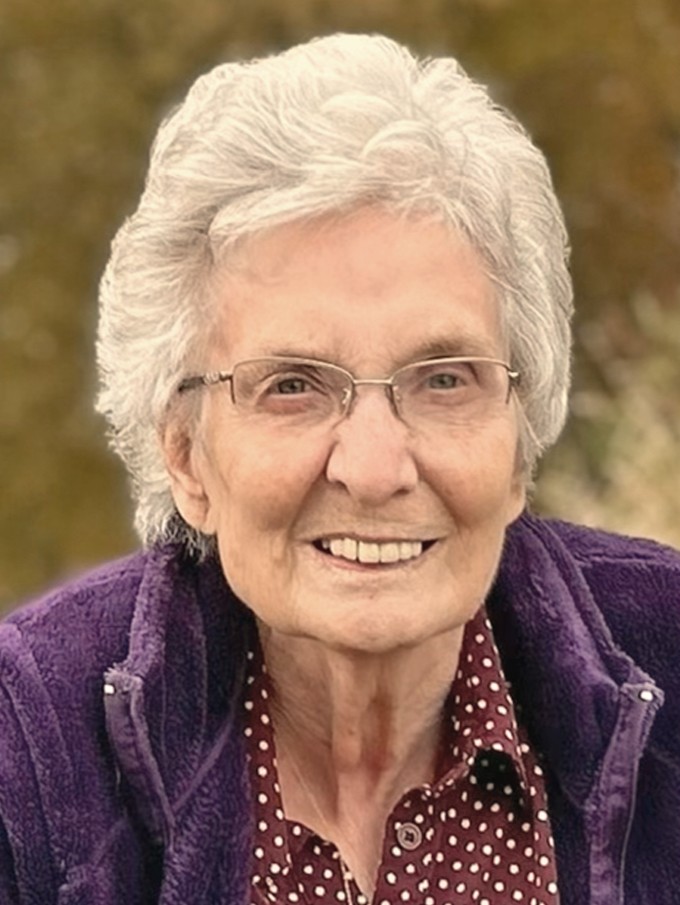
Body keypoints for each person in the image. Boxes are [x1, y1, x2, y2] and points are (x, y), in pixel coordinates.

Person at [1, 32, 678, 905]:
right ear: (186, 456)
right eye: (292, 385)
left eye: (443, 379)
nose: (374, 467)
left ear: (520, 439)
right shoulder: (31, 746)